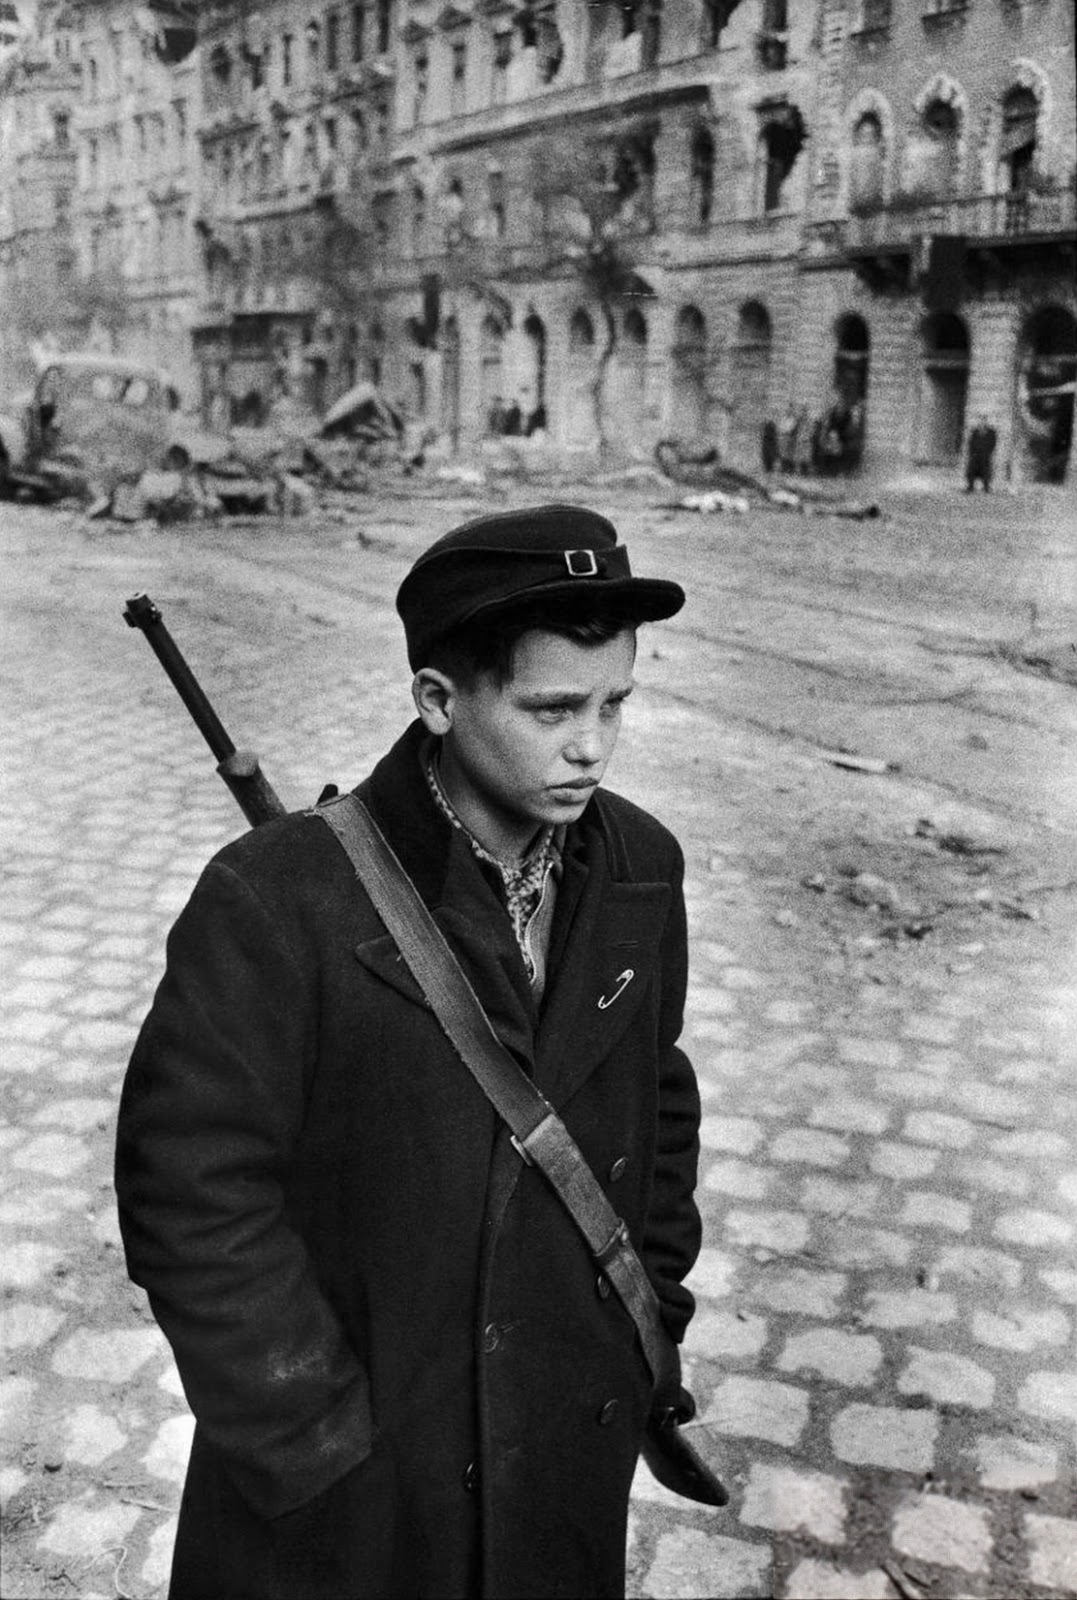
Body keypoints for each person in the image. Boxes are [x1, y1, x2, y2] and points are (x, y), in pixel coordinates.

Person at [115, 505, 703, 1600]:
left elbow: (659, 1102)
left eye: (614, 703)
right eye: (552, 708)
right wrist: (315, 1449)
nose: (592, 744)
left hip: (560, 1453)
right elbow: (189, 1197)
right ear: (437, 699)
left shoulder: (641, 865)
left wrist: (649, 1312)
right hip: (367, 1486)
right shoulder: (278, 896)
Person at [965, 414, 998, 493]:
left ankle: (986, 487)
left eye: (984, 420)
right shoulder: (975, 431)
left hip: (985, 455)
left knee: (986, 471)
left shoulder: (991, 432)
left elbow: (993, 442)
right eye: (980, 420)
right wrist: (971, 453)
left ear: (986, 421)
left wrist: (989, 452)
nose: (982, 422)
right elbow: (971, 442)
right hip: (975, 455)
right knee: (972, 470)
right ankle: (970, 486)